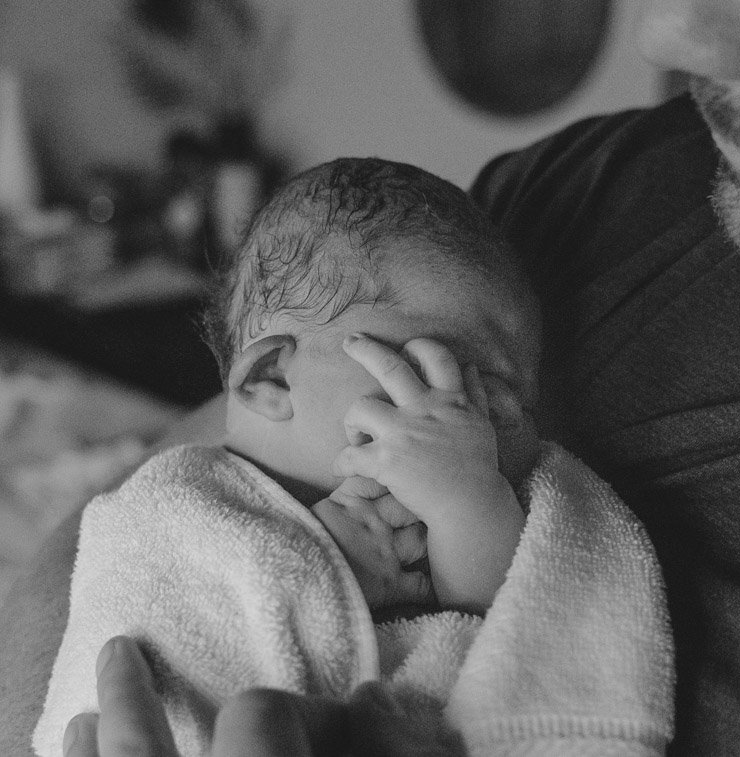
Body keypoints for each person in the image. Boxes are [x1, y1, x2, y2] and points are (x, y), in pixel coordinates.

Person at [3, 0, 740, 754]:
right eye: (455, 373)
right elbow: (113, 536)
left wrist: (460, 499)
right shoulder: (580, 198)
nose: (671, 32)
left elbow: (516, 595)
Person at [33, 157, 671, 756]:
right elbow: (133, 626)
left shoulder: (450, 510)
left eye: (509, 402)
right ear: (272, 381)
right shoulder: (174, 508)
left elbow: (493, 617)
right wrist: (323, 567)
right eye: (436, 373)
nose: (476, 426)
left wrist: (465, 501)